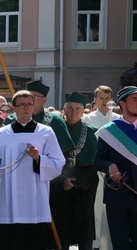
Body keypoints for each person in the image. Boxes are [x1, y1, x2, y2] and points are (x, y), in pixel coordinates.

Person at [0, 90, 66, 249]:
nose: (26, 108)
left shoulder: (45, 132)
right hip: (8, 196)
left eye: (29, 104)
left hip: (35, 197)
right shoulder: (3, 133)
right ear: (13, 107)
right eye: (22, 105)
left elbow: (58, 163)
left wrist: (38, 158)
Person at [50, 92, 99, 250]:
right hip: (59, 185)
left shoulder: (92, 132)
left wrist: (76, 182)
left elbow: (94, 163)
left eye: (77, 108)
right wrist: (62, 180)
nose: (73, 112)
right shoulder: (53, 130)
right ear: (64, 109)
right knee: (61, 229)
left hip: (83, 187)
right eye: (70, 108)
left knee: (83, 230)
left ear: (84, 110)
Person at [94, 86, 137, 250]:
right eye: (134, 99)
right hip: (118, 196)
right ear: (123, 104)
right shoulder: (110, 131)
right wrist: (109, 166)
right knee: (120, 243)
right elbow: (98, 160)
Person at [83, 85, 120, 250]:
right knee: (96, 207)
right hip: (95, 169)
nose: (104, 102)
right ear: (95, 100)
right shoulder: (87, 120)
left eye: (107, 98)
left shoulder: (119, 119)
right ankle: (96, 243)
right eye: (101, 99)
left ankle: (111, 242)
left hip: (117, 171)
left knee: (114, 209)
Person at [4, 80, 75, 153]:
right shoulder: (11, 119)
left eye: (34, 97)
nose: (30, 100)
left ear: (44, 100)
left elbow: (64, 151)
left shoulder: (55, 120)